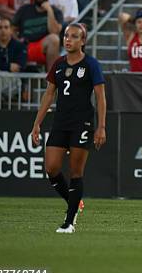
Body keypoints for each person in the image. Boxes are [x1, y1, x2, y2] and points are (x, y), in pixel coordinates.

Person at [31, 23, 106, 233]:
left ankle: (69, 221)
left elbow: (100, 97)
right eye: (66, 36)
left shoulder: (91, 64)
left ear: (83, 41)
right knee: (51, 168)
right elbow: (49, 94)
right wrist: (37, 123)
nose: (68, 40)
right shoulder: (59, 64)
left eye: (74, 36)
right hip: (60, 122)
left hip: (82, 122)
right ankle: (74, 201)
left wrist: (101, 126)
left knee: (75, 172)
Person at [12, 0, 62, 70]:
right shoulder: (24, 10)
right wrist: (17, 41)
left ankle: (51, 80)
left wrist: (49, 11)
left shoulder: (56, 11)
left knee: (54, 39)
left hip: (44, 47)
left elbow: (54, 31)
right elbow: (12, 29)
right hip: (25, 46)